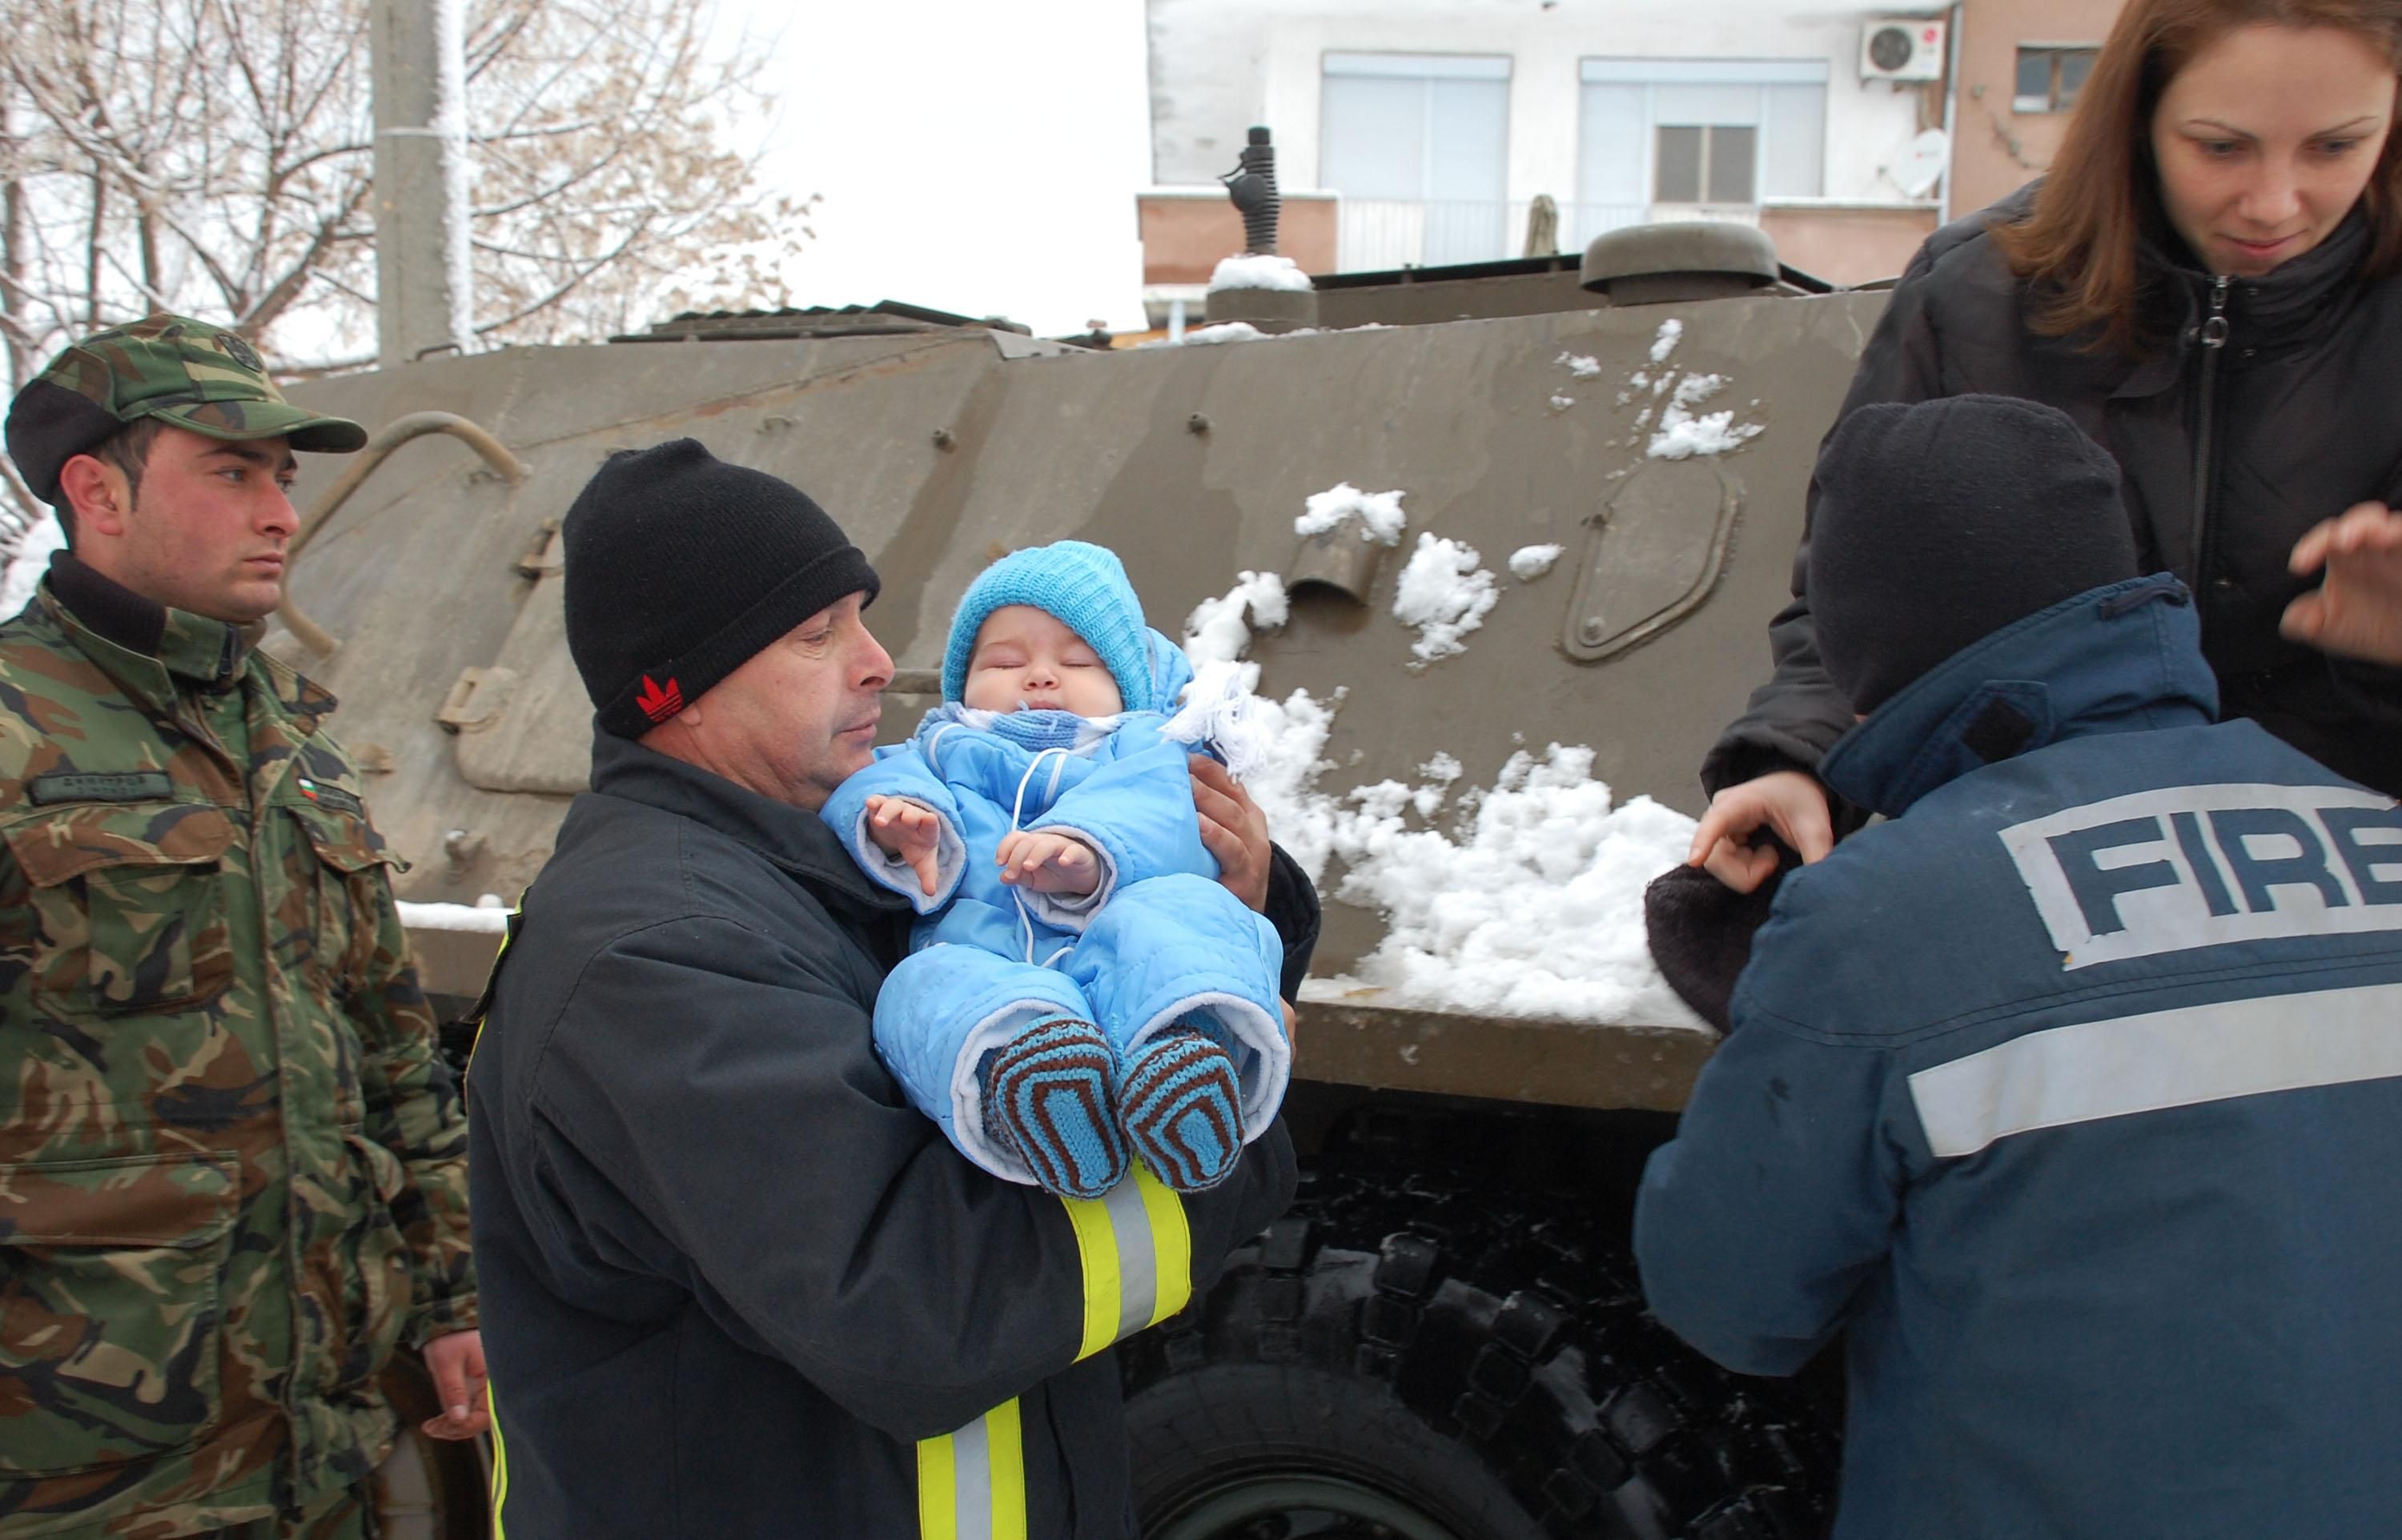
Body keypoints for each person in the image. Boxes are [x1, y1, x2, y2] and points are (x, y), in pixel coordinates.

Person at [465, 440, 1312, 1538]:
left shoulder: (814, 875)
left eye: (861, 617)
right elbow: (929, 1307)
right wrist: (1231, 1127)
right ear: (681, 691)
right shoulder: (654, 957)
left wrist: (1227, 939)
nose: (877, 662)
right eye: (816, 635)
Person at [1635, 395, 2402, 1539]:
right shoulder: (2371, 832)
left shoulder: (1882, 918)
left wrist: (1791, 1010)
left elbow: (1727, 1298)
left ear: (1870, 640)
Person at [1693, 0, 2402, 895]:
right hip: (2035, 865)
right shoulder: (1980, 292)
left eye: (2336, 147)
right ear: (2137, 115)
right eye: (2221, 146)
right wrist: (1798, 760)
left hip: (2342, 885)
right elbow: (1869, 588)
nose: (2273, 202)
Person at [0, 315, 483, 1539]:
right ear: (95, 491)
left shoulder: (288, 739)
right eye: (231, 473)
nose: (280, 512)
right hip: (81, 1471)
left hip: (321, 1451)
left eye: (283, 477)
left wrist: (450, 1297)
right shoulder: (13, 731)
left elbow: (389, 1053)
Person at [823, 540, 1289, 1200]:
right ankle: (1032, 1085)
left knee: (1188, 914)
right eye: (1005, 660)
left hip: (1120, 949)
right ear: (961, 685)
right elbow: (867, 785)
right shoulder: (936, 750)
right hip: (988, 958)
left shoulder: (1146, 750)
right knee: (919, 985)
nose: (1039, 677)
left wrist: (1089, 846)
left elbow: (1171, 824)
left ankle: (1184, 1057)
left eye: (1076, 660)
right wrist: (898, 822)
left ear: (1126, 685)